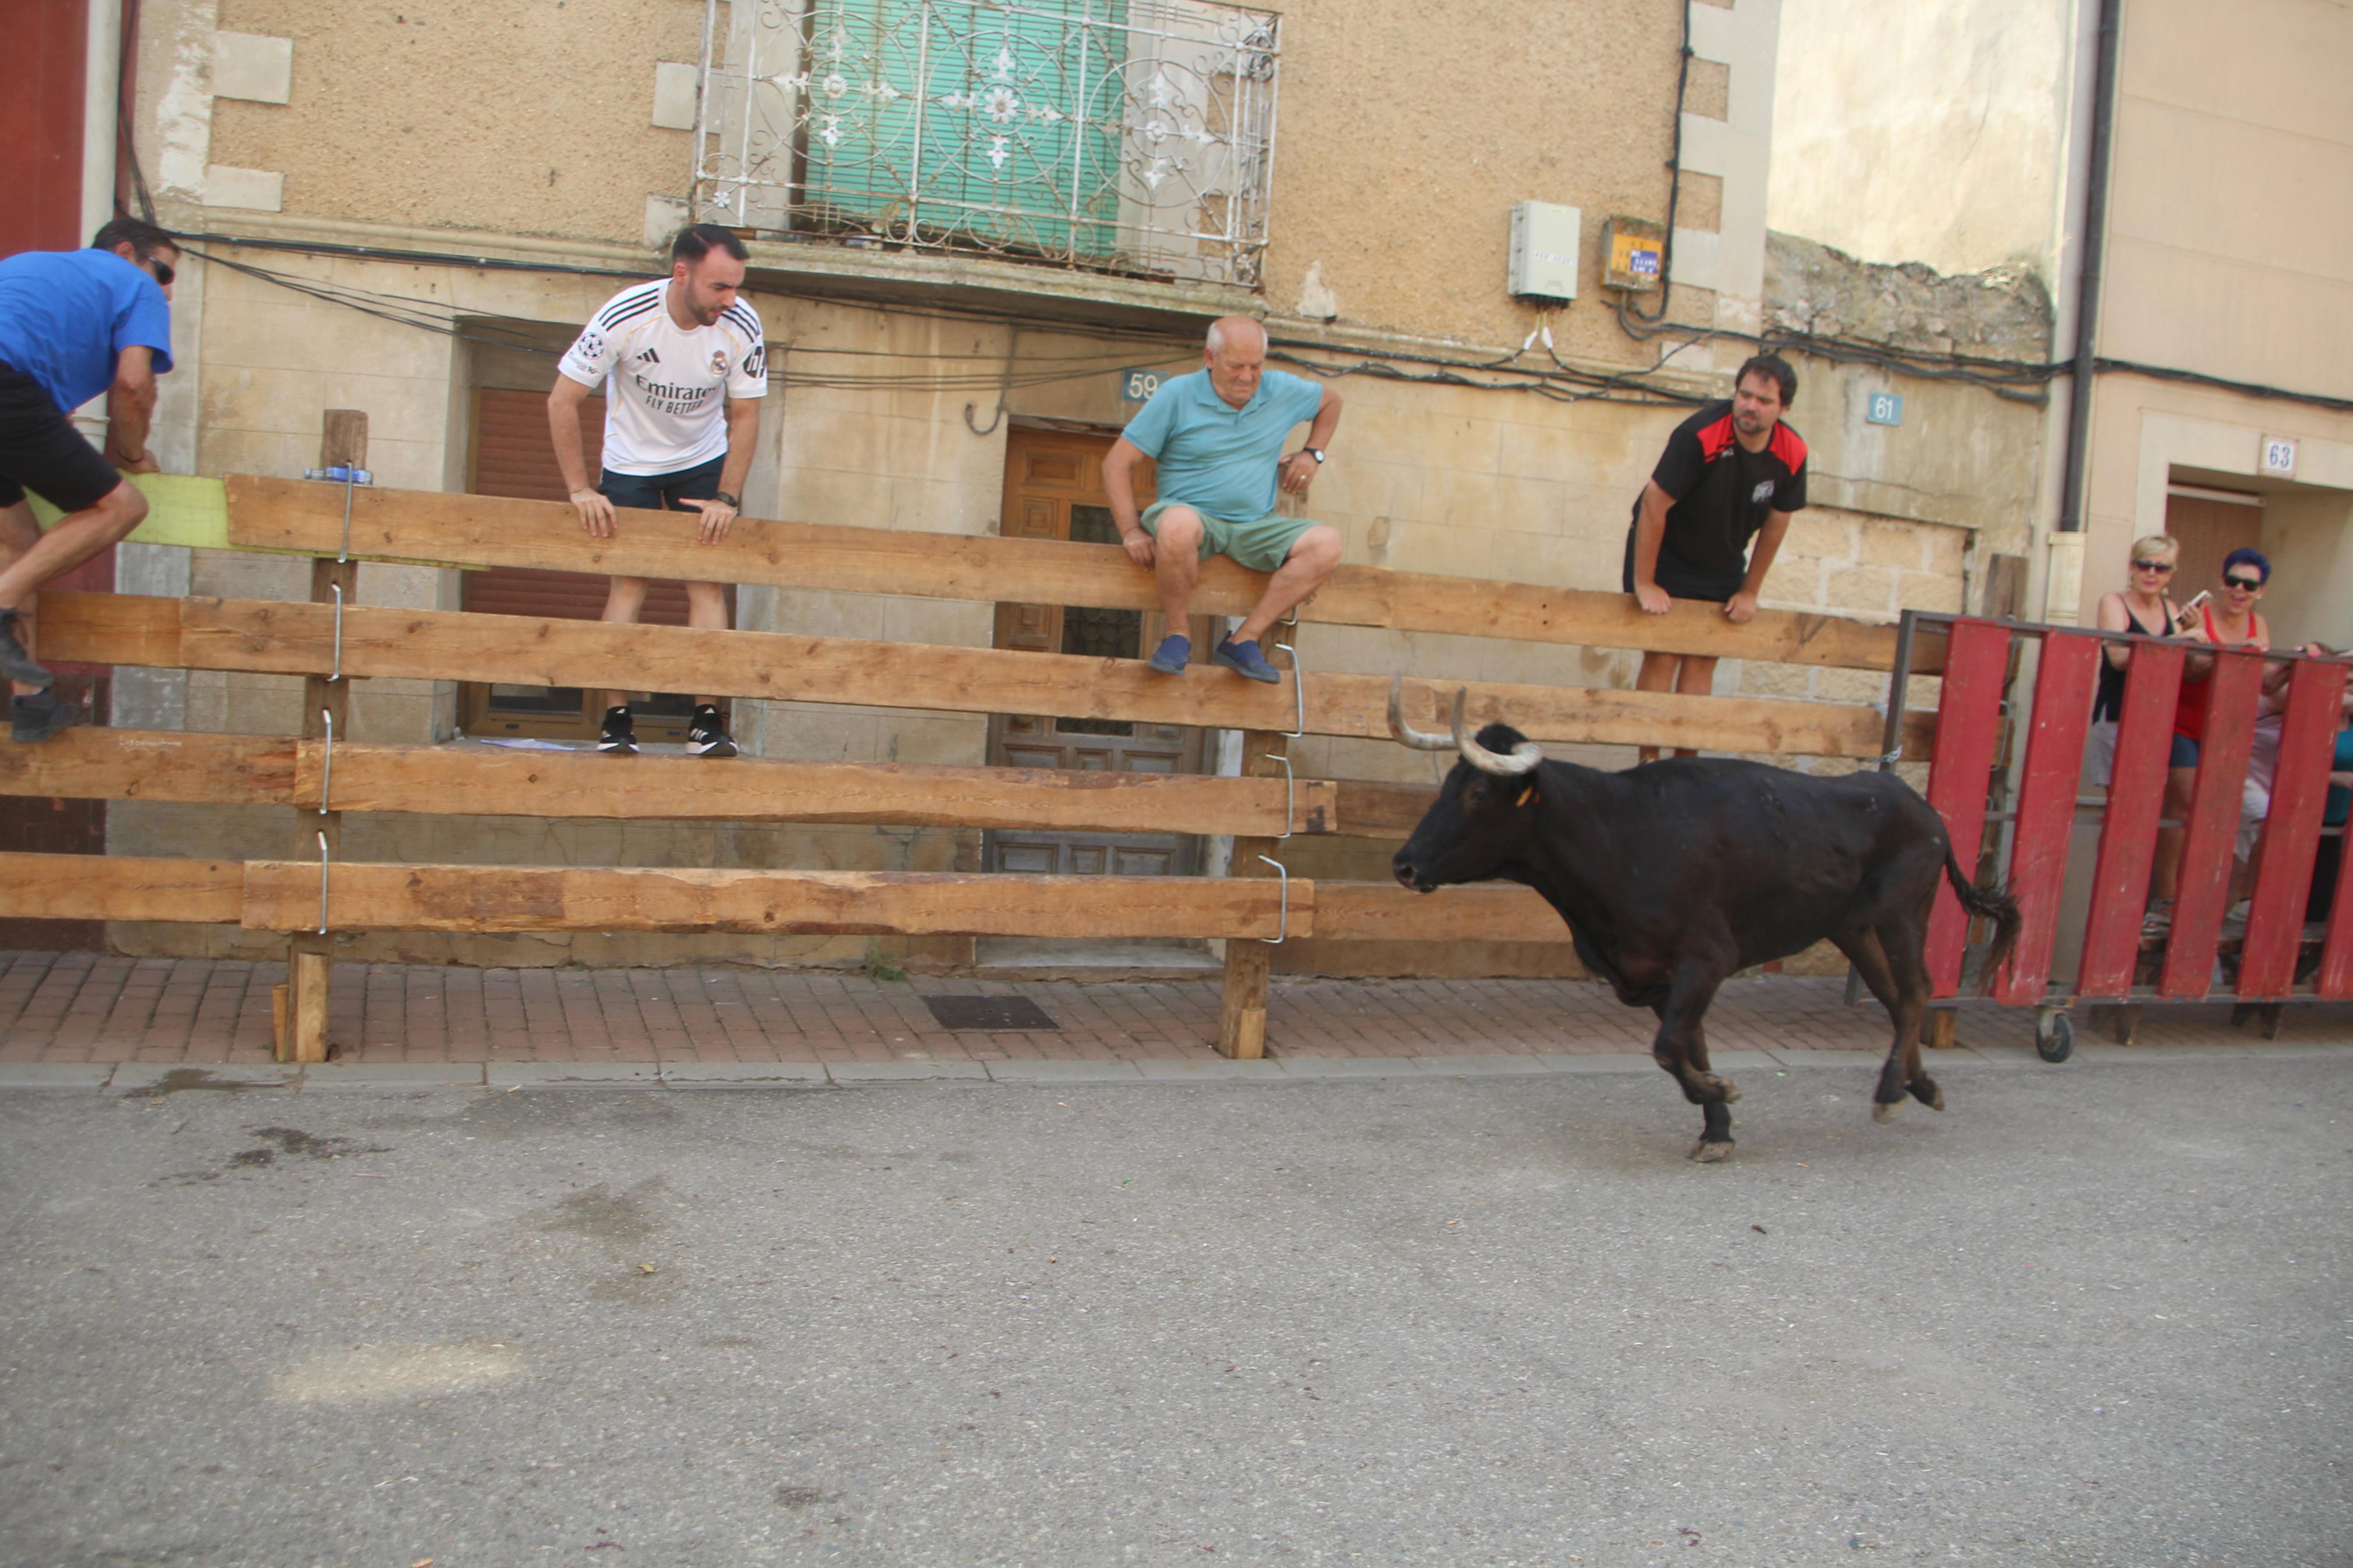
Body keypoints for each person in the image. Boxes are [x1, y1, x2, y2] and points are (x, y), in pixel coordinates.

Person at [549, 224, 768, 756]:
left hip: (702, 460)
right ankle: (617, 720)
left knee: (706, 585)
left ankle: (706, 722)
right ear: (682, 273)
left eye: (737, 286)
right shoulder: (624, 316)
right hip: (632, 462)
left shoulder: (741, 323)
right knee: (629, 586)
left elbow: (746, 413)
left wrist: (728, 497)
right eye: (719, 287)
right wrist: (580, 488)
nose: (730, 299)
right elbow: (561, 401)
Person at [0, 216, 179, 743]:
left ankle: (31, 703)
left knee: (20, 545)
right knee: (123, 507)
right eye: (164, 271)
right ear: (126, 252)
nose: (166, 290)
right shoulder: (134, 286)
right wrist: (131, 454)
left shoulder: (30, 265)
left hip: (12, 400)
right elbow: (133, 384)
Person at [1102, 316, 1343, 684]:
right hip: (1192, 518)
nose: (1247, 377)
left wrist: (1314, 453)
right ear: (1210, 358)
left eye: (1256, 367)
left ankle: (1245, 639)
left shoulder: (1279, 389)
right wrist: (1132, 530)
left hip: (1256, 524)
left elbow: (1332, 401)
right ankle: (1178, 635)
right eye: (1236, 366)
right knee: (1178, 525)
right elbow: (1117, 463)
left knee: (1328, 544)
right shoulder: (1177, 394)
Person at [1623, 353, 1808, 760]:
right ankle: (1648, 764)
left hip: (1721, 558)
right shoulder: (1699, 434)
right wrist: (1645, 582)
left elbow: (1776, 525)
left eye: (1763, 400)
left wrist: (1749, 591)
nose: (1749, 406)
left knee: (1701, 658)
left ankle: (1685, 767)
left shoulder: (1792, 452)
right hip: (1666, 551)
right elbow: (1654, 504)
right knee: (1663, 651)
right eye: (1744, 395)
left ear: (1783, 408)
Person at [2149, 546, 2270, 922]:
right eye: (2232, 581)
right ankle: (2165, 897)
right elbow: (2189, 671)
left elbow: (2263, 679)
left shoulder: (2258, 623)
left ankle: (2223, 896)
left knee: (2234, 812)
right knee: (2183, 803)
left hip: (2225, 730)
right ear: (2221, 582)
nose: (2238, 590)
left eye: (2248, 585)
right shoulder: (2199, 616)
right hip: (2182, 723)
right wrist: (2206, 641)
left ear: (2260, 591)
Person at [2086, 533, 2194, 787]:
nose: (2152, 573)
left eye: (2162, 567)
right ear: (2132, 567)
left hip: (2159, 719)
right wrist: (2176, 642)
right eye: (2144, 565)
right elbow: (2119, 657)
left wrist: (2196, 638)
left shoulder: (2171, 609)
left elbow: (2185, 669)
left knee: (2151, 800)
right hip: (2117, 714)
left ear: (2171, 573)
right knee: (2120, 802)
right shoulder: (2114, 602)